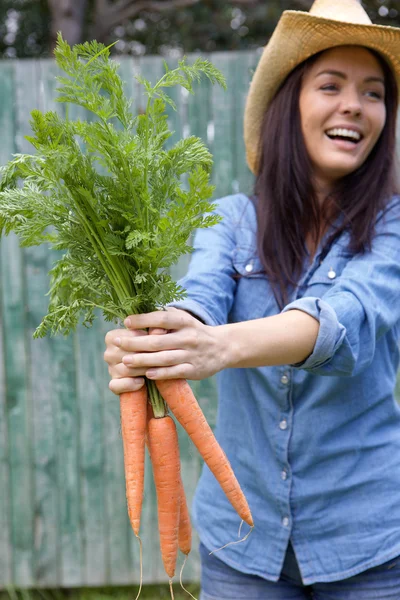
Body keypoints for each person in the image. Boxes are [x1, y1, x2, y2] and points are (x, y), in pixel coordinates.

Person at [103, 0, 400, 597]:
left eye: (374, 93)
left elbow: (347, 320)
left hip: (370, 543)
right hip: (242, 546)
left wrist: (216, 347)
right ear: (289, 103)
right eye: (331, 84)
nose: (354, 105)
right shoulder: (231, 221)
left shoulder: (393, 223)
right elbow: (198, 298)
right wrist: (161, 340)